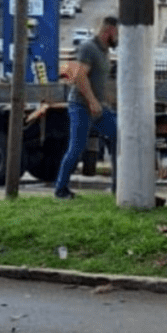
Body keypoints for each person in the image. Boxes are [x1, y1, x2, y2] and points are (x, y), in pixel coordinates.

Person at [54, 16, 119, 199]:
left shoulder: (104, 51)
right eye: (117, 33)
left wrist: (108, 100)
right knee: (77, 148)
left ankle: (118, 186)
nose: (118, 38)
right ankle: (61, 189)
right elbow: (79, 77)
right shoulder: (88, 47)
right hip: (81, 106)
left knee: (118, 135)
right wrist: (92, 101)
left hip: (98, 108)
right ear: (110, 31)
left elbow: (98, 82)